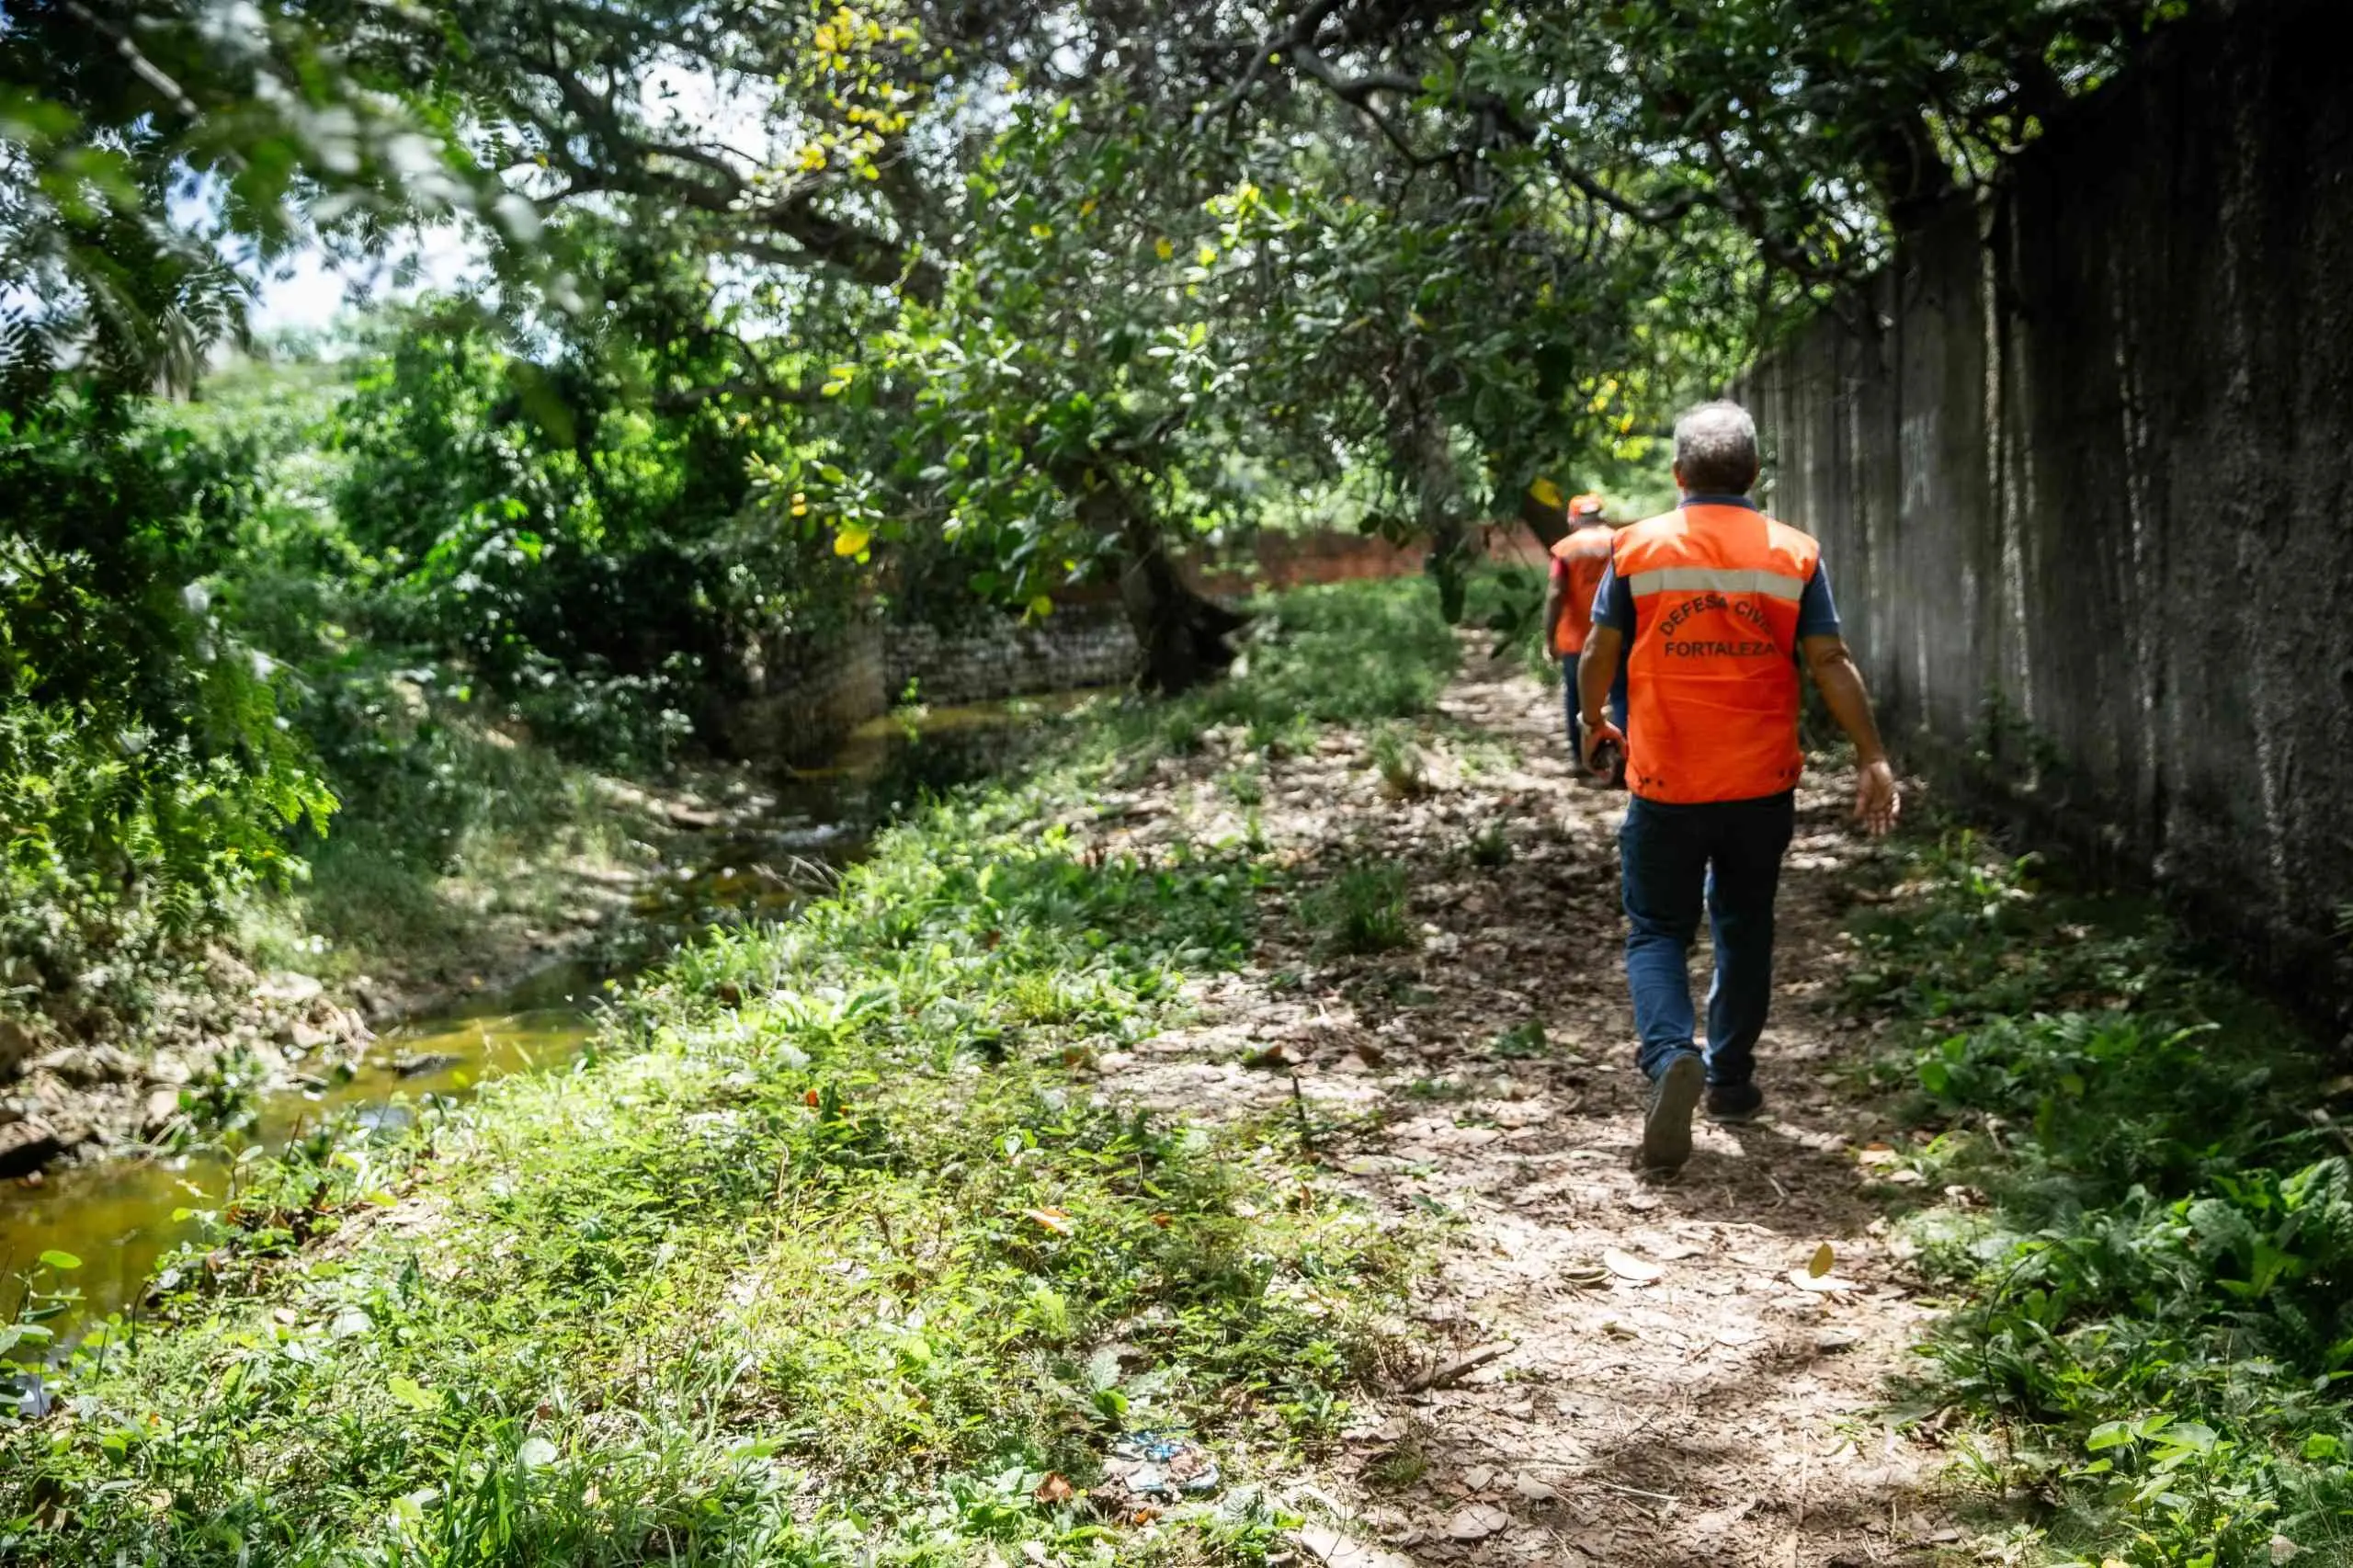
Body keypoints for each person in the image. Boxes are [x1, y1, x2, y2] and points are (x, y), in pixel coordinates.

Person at [1575, 401, 1900, 1174]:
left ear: (1678, 473)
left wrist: (1594, 718)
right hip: (1760, 783)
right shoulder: (1793, 554)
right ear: (1755, 474)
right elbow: (1830, 661)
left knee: (1656, 928)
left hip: (1666, 781)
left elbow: (1598, 647)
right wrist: (1872, 756)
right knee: (1745, 923)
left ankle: (1666, 1059)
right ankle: (1730, 1082)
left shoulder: (1637, 547)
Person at [1539, 492, 1627, 774]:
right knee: (1622, 696)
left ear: (1573, 519)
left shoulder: (1565, 549)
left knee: (1578, 698)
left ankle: (1582, 761)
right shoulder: (1621, 542)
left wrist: (1548, 637)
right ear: (1600, 515)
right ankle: (1624, 762)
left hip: (1578, 639)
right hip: (1620, 635)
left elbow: (1556, 594)